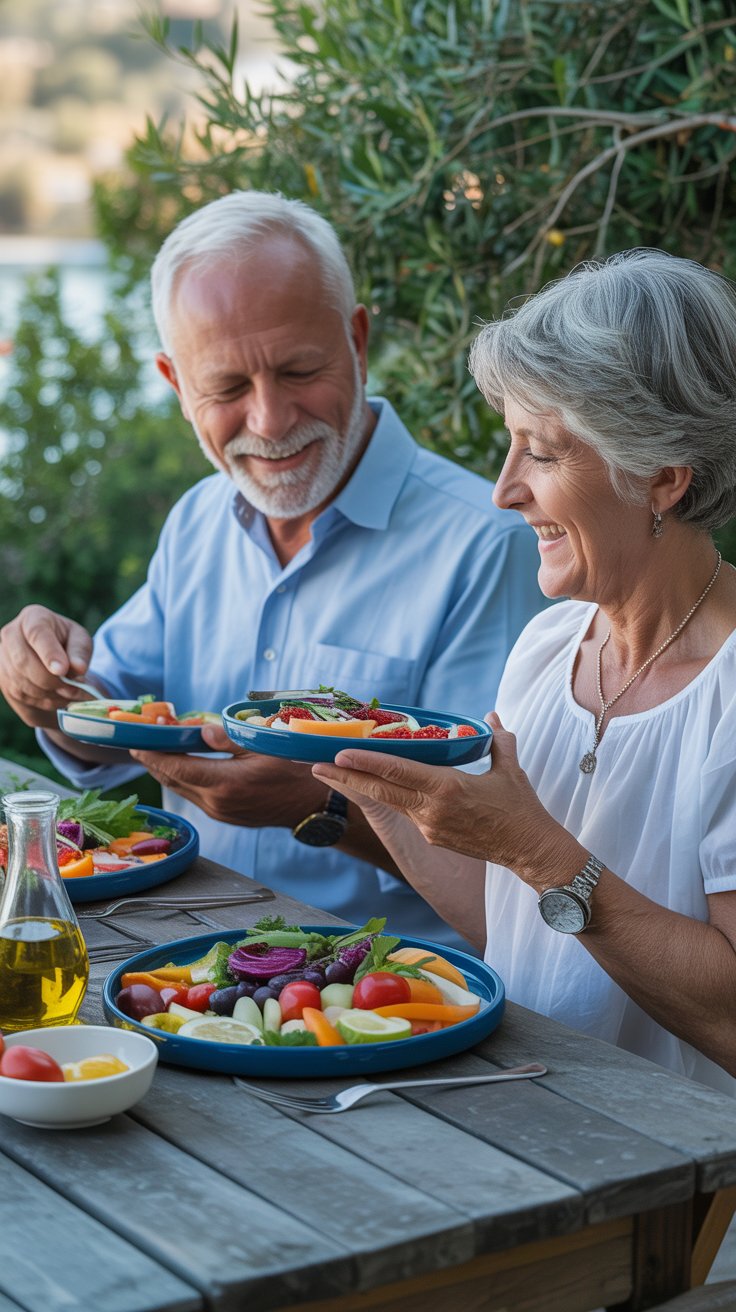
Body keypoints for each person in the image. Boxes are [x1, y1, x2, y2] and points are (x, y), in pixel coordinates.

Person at [0, 190, 546, 947]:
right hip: (178, 956)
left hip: (396, 997)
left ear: (356, 340)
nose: (270, 420)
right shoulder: (197, 519)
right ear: (174, 383)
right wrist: (47, 683)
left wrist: (316, 806)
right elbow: (110, 717)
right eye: (225, 388)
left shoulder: (490, 546)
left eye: (298, 370)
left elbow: (507, 858)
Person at [311, 248, 736, 1091]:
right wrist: (379, 791)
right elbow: (524, 933)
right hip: (533, 1133)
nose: (503, 489)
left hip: (685, 1192)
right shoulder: (548, 646)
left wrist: (538, 851)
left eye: (540, 452)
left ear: (660, 476)